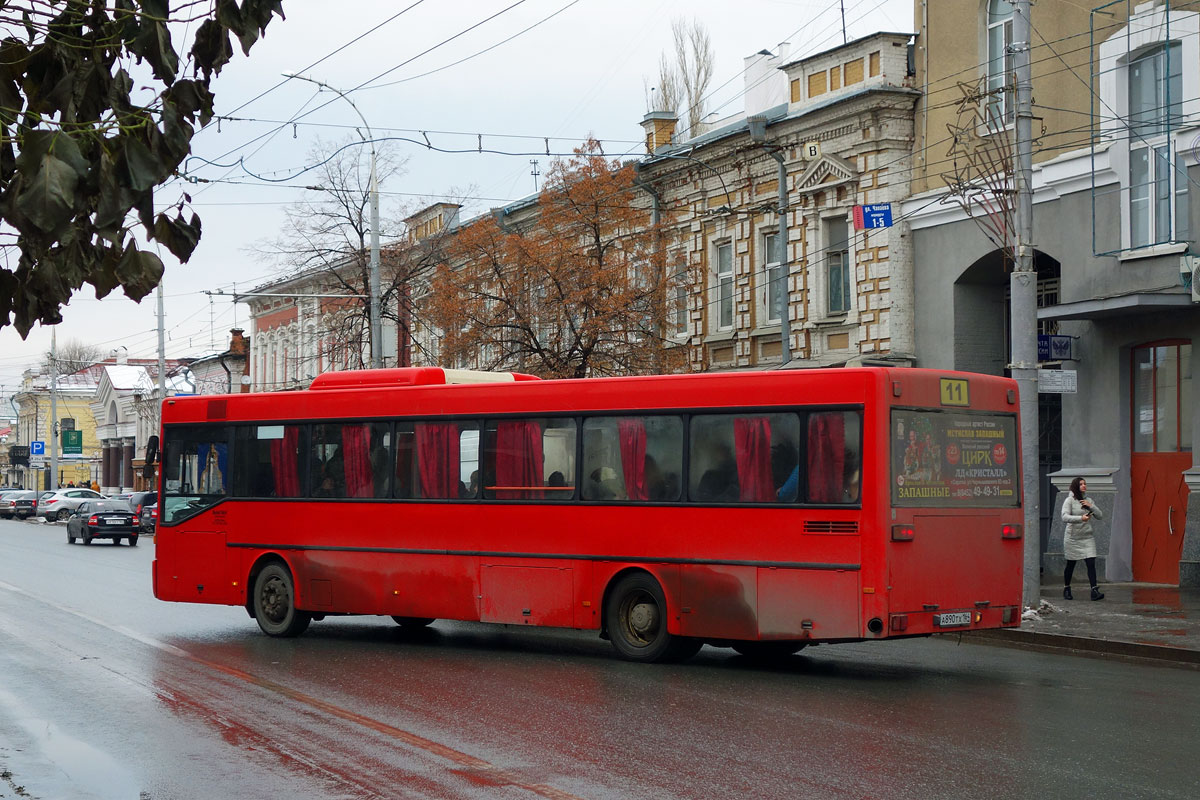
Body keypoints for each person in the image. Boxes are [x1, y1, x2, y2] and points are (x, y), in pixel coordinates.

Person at [1061, 476, 1104, 601]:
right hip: (1072, 537)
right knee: (1071, 564)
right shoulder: (1069, 500)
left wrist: (1091, 506)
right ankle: (1067, 588)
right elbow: (1064, 517)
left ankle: (1094, 590)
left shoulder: (1088, 500)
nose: (1084, 486)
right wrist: (1080, 518)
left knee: (1091, 562)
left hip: (1087, 537)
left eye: (1085, 483)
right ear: (1076, 486)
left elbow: (1100, 516)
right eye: (1081, 484)